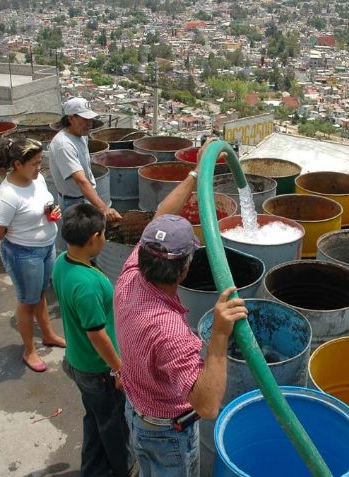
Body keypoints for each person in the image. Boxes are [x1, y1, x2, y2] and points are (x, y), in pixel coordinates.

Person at [114, 141, 248, 477]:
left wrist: (194, 173)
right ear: (186, 269)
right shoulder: (169, 330)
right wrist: (218, 336)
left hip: (138, 409)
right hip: (166, 433)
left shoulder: (131, 274)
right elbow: (206, 405)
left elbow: (161, 215)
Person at [53, 204, 135, 477]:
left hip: (77, 361)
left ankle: (92, 469)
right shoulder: (87, 285)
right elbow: (97, 334)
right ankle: (123, 470)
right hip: (97, 370)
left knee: (95, 419)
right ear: (93, 239)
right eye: (103, 234)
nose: (105, 239)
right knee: (114, 425)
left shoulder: (62, 262)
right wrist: (119, 368)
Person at [0, 138, 66, 373]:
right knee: (27, 302)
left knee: (40, 294)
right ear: (18, 164)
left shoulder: (37, 179)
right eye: (34, 163)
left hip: (46, 247)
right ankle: (29, 350)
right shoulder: (8, 196)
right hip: (23, 253)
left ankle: (48, 334)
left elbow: (43, 204)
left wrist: (52, 212)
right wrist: (16, 227)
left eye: (40, 162)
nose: (39, 167)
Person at [48, 97, 120, 221]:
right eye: (85, 119)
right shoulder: (64, 145)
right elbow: (81, 180)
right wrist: (104, 208)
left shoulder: (81, 135)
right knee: (80, 239)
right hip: (73, 203)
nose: (90, 124)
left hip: (85, 198)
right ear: (71, 118)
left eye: (91, 119)